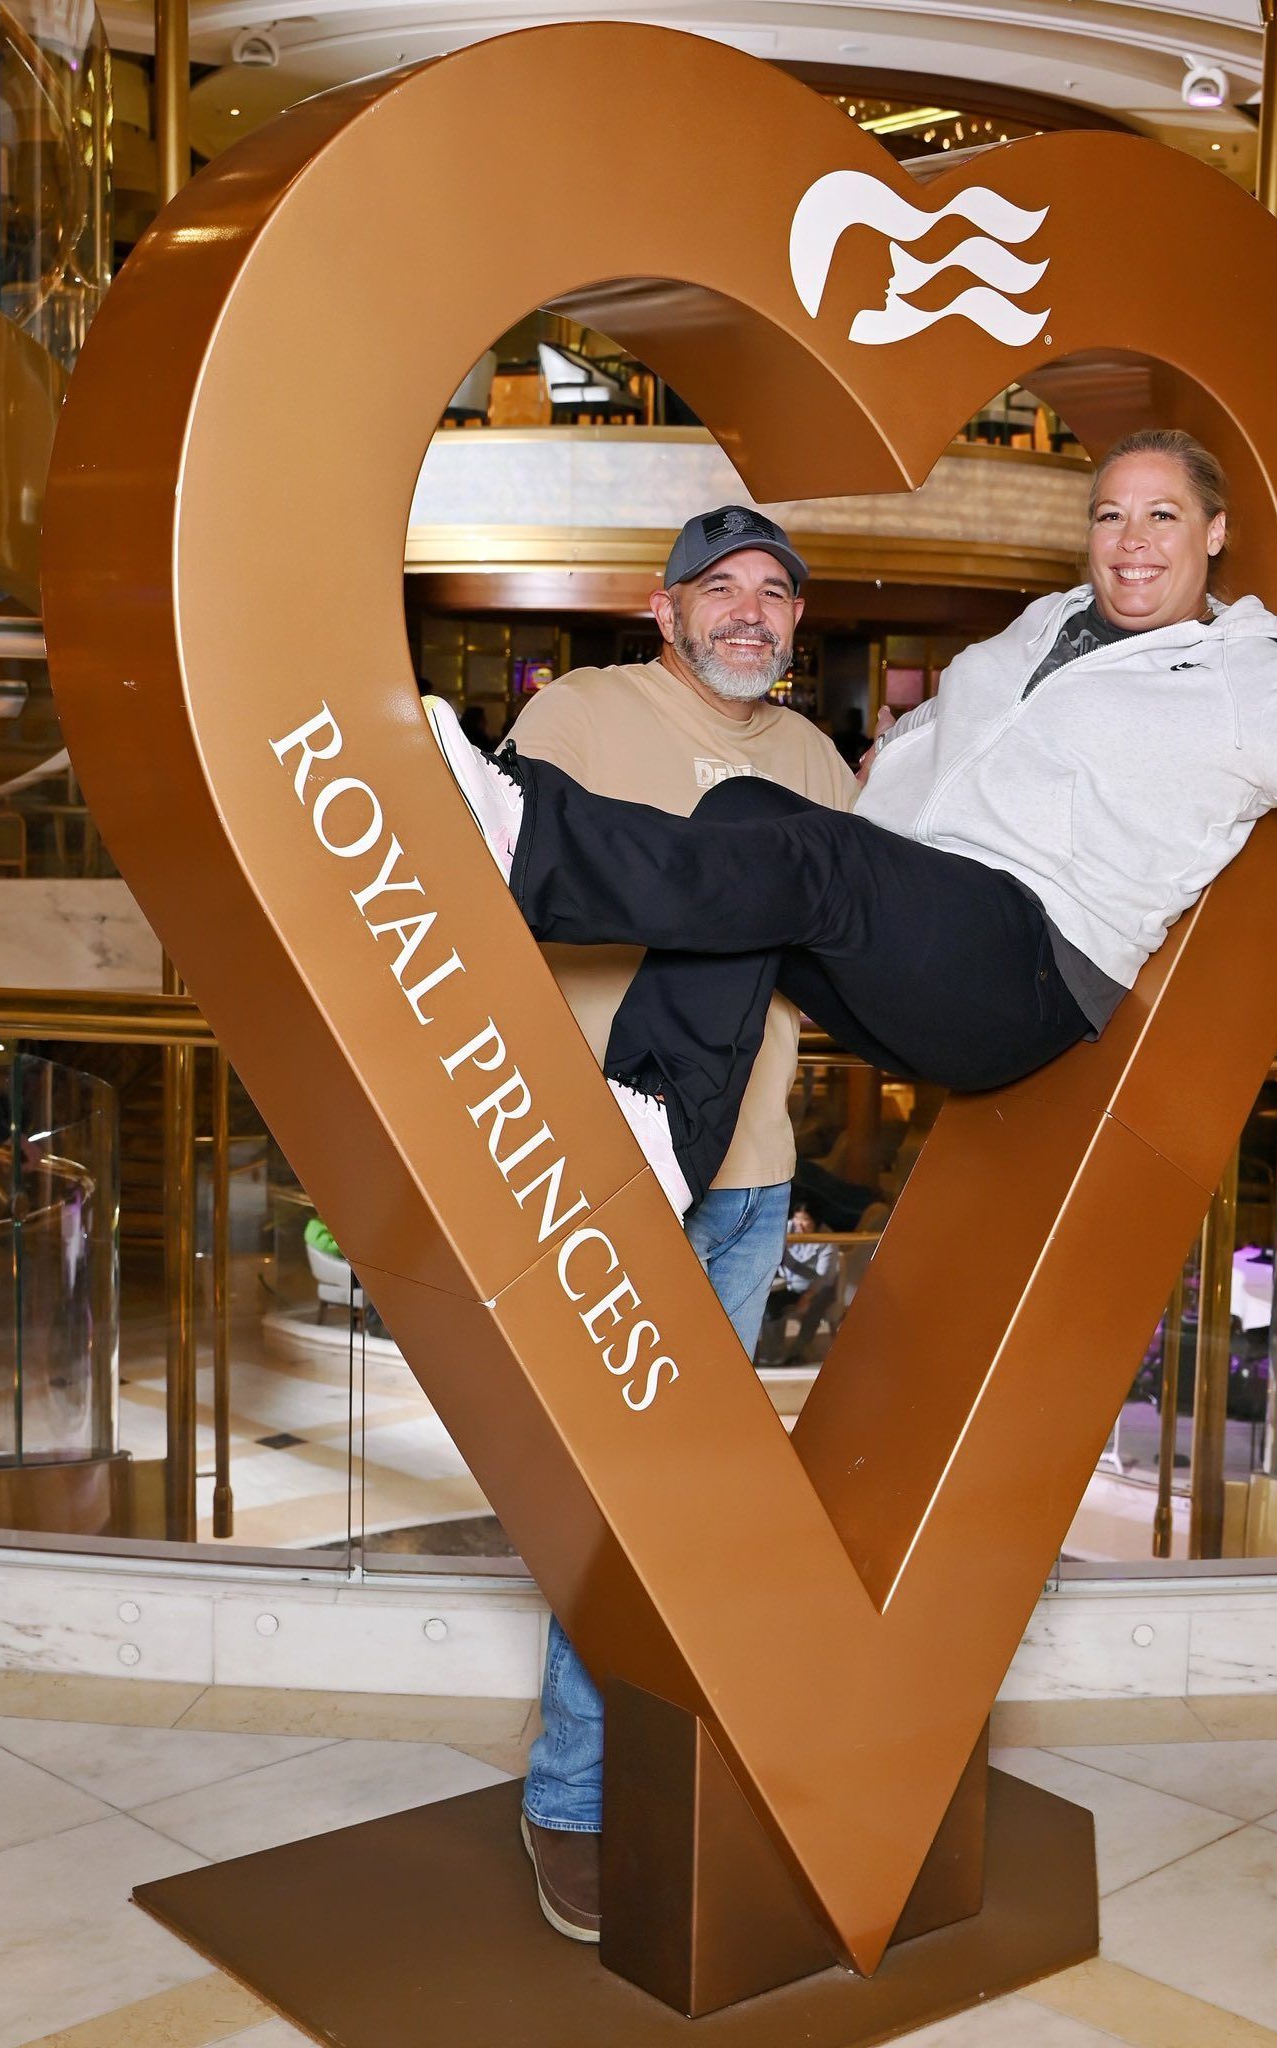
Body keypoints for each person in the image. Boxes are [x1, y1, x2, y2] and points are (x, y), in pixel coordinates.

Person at [425, 420, 1277, 1250]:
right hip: (928, 927)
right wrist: (880, 777)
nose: (1131, 540)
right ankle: (659, 1122)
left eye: (1163, 514)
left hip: (1029, 967)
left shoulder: (1246, 683)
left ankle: (524, 842)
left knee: (797, 855)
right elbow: (946, 725)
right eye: (1111, 514)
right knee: (748, 816)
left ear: (1213, 533)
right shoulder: (1051, 620)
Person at [502, 504, 854, 1944]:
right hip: (606, 1173)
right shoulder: (583, 716)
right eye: (721, 588)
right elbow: (488, 894)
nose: (750, 613)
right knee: (617, 1497)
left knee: (691, 1503)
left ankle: (647, 1769)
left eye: (773, 591)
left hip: (753, 1177)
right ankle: (569, 1799)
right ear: (664, 610)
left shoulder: (822, 763)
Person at [760, 1198, 841, 1366]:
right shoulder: (787, 1228)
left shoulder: (827, 1239)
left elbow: (824, 1276)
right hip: (787, 1283)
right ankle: (772, 1354)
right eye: (798, 1219)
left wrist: (808, 1297)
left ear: (815, 1221)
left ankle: (798, 1351)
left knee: (819, 1301)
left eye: (805, 1220)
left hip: (816, 1287)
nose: (800, 1225)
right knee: (769, 1305)